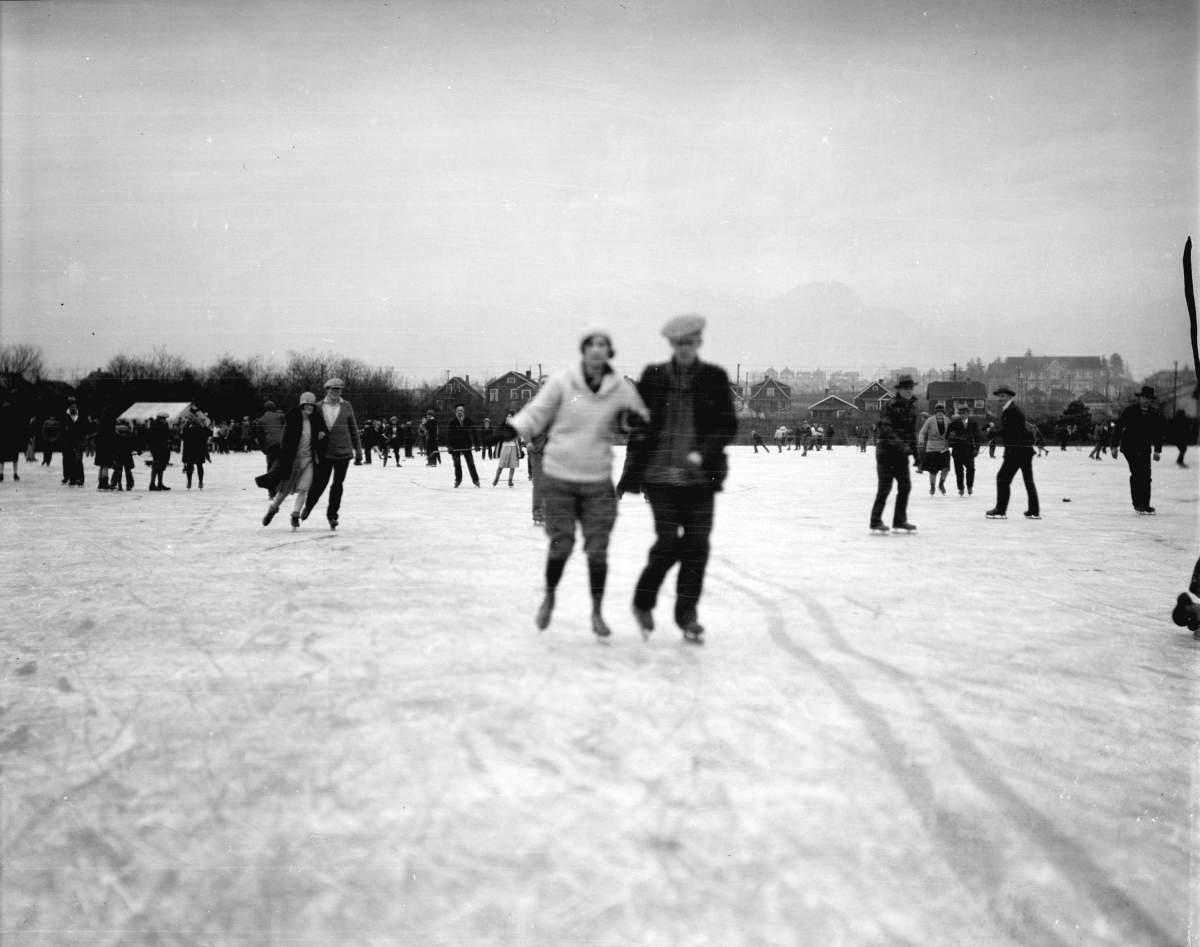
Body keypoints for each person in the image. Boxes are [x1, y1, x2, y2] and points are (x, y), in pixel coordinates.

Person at [501, 326, 648, 637]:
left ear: (608, 352)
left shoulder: (619, 387)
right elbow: (536, 412)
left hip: (597, 480)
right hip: (561, 478)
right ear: (583, 351)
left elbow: (636, 416)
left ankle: (596, 611)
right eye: (591, 345)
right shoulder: (562, 382)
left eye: (602, 345)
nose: (596, 350)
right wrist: (512, 428)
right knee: (562, 544)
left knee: (597, 549)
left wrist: (633, 422)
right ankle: (549, 597)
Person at [618, 314, 737, 643]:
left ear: (699, 343)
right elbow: (637, 417)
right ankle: (643, 602)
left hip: (700, 479)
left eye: (689, 342)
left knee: (697, 547)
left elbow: (727, 425)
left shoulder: (714, 377)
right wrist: (628, 420)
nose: (684, 348)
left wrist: (705, 451)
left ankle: (687, 616)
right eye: (678, 343)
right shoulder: (653, 376)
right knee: (668, 543)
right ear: (671, 344)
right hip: (660, 478)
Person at [301, 378, 363, 530]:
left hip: (343, 452)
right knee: (320, 483)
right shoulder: (318, 406)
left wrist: (358, 451)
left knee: (337, 485)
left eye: (338, 389)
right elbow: (310, 427)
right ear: (327, 390)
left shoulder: (346, 405)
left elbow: (353, 429)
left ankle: (332, 515)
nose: (336, 392)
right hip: (325, 452)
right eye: (333, 389)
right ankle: (308, 506)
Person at [261, 391, 328, 529]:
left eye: (311, 405)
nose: (309, 407)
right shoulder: (292, 419)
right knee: (284, 490)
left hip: (309, 459)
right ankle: (273, 509)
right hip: (293, 460)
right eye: (306, 405)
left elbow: (324, 434)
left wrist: (322, 435)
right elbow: (284, 441)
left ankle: (295, 514)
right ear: (301, 405)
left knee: (304, 488)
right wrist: (284, 457)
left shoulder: (317, 420)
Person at [869, 374, 919, 533]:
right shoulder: (890, 405)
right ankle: (875, 521)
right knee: (885, 488)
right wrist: (901, 445)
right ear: (899, 390)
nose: (909, 391)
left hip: (901, 455)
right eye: (906, 388)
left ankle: (899, 521)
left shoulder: (912, 408)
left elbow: (911, 433)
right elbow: (886, 429)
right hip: (886, 453)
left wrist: (917, 455)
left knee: (905, 486)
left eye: (911, 388)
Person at [985, 385, 1040, 519]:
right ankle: (1034, 511)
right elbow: (1011, 429)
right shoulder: (1011, 409)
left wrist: (992, 433)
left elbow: (1009, 431)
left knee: (1002, 478)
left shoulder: (1011, 410)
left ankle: (1000, 510)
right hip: (1024, 450)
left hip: (1016, 451)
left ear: (1009, 397)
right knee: (1028, 481)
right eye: (999, 397)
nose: (1000, 399)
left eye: (1003, 396)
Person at [1111, 385, 1164, 514]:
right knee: (1137, 474)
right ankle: (1137, 504)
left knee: (1146, 475)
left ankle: (1145, 504)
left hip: (1144, 448)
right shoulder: (1130, 411)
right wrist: (1114, 446)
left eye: (1149, 399)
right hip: (1130, 447)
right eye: (1144, 398)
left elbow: (1158, 433)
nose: (1146, 401)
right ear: (1140, 398)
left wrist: (1157, 450)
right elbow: (1118, 427)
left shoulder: (1154, 413)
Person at [917, 403, 952, 496]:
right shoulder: (930, 420)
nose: (939, 413)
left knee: (946, 468)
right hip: (932, 448)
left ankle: (941, 484)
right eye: (938, 411)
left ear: (943, 412)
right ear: (935, 412)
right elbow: (922, 432)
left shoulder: (947, 420)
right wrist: (921, 443)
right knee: (933, 470)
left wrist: (953, 439)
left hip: (944, 447)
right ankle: (932, 486)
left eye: (941, 411)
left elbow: (951, 432)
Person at [946, 406, 980, 496]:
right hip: (958, 451)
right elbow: (948, 437)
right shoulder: (953, 424)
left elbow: (978, 437)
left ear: (968, 413)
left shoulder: (973, 423)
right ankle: (961, 488)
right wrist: (956, 439)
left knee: (971, 470)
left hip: (970, 451)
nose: (962, 415)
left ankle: (969, 486)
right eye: (961, 413)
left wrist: (977, 449)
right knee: (959, 471)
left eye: (964, 413)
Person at [446, 403, 481, 488]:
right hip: (455, 446)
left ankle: (476, 480)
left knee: (471, 463)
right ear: (455, 412)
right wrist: (449, 446)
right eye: (458, 410)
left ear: (464, 411)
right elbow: (449, 435)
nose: (460, 412)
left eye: (461, 410)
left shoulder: (468, 421)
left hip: (466, 445)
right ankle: (458, 480)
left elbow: (474, 433)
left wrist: (476, 444)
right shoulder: (452, 422)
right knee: (457, 464)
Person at [180, 406, 212, 489]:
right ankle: (200, 482)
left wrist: (186, 424)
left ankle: (189, 482)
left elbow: (182, 436)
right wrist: (203, 425)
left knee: (189, 466)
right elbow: (210, 433)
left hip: (189, 450)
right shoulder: (201, 429)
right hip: (199, 450)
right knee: (199, 466)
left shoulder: (187, 430)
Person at [61, 398, 88, 486]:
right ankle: (71, 478)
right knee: (69, 460)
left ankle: (79, 478)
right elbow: (62, 430)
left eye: (74, 405)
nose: (73, 407)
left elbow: (86, 428)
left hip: (79, 442)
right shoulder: (65, 416)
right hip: (68, 443)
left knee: (78, 460)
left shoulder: (81, 416)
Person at [492, 410, 522, 487]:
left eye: (511, 416)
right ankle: (496, 478)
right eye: (508, 416)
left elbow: (518, 437)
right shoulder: (503, 425)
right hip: (505, 447)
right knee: (501, 464)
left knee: (513, 465)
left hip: (514, 447)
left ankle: (510, 480)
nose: (509, 418)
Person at [0, 398, 26, 482]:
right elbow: (19, 429)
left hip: (3, 439)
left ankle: (1, 473)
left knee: (2, 458)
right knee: (14, 458)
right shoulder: (15, 417)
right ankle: (15, 474)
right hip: (13, 440)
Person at [257, 401, 286, 473]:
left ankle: (270, 477)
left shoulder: (261, 420)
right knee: (283, 464)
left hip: (270, 444)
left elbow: (260, 437)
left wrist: (264, 450)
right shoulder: (281, 416)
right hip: (282, 443)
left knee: (271, 466)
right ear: (274, 408)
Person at [526, 431, 549, 525]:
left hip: (554, 448)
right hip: (537, 449)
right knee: (539, 482)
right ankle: (538, 514)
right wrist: (528, 441)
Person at [146, 411, 173, 491]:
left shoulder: (164, 425)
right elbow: (152, 438)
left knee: (161, 466)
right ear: (160, 418)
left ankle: (160, 483)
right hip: (157, 449)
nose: (165, 420)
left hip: (164, 449)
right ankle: (152, 484)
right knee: (156, 466)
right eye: (164, 418)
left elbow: (167, 435)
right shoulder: (155, 426)